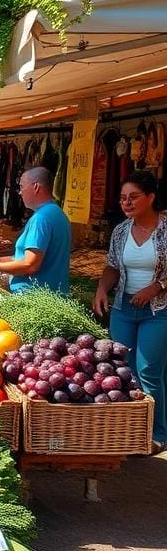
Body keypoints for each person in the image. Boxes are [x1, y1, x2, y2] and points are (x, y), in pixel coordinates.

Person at [93, 170, 167, 453]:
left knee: (149, 370)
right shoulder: (121, 230)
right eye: (123, 198)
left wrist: (157, 286)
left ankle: (158, 432)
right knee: (125, 371)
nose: (127, 203)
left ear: (150, 197)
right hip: (124, 309)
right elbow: (112, 266)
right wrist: (101, 289)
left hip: (158, 311)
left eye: (133, 197)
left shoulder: (165, 228)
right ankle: (130, 430)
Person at [0, 166, 71, 293]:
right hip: (53, 294)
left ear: (35, 187)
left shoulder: (41, 218)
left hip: (34, 297)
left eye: (22, 186)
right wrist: (2, 260)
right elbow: (38, 257)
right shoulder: (59, 214)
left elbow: (30, 265)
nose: (20, 192)